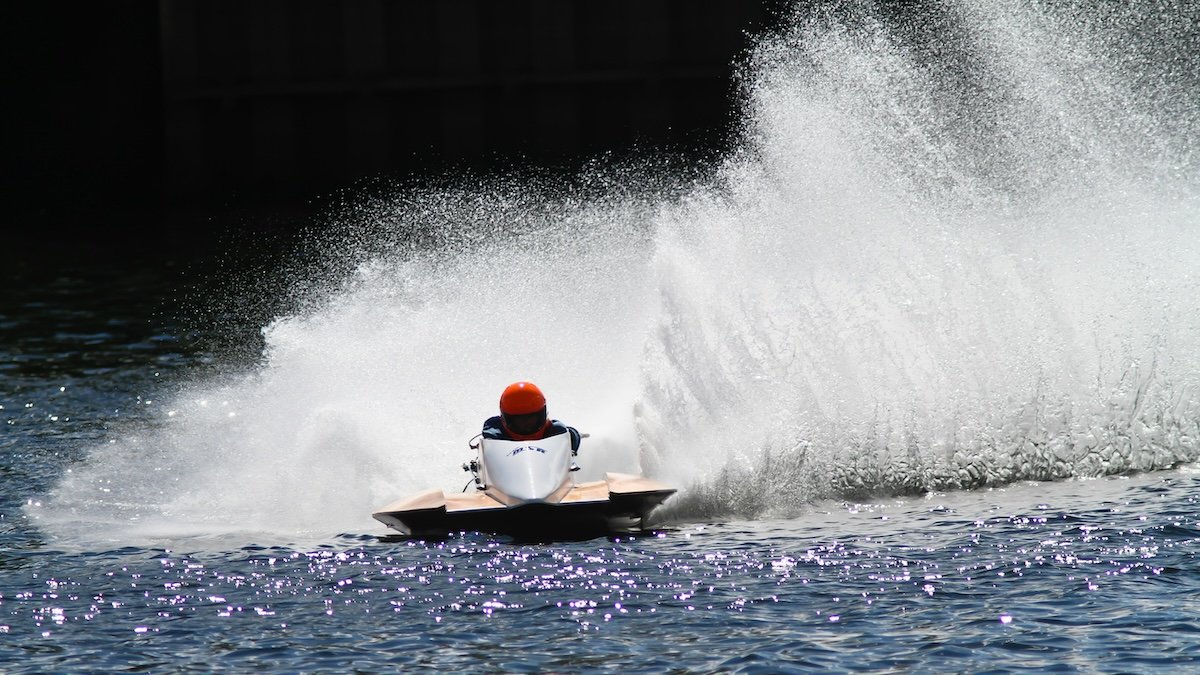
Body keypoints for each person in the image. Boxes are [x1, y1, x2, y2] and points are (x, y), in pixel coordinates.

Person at [482, 381, 581, 452]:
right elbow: (489, 436)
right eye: (519, 420)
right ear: (506, 418)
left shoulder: (555, 430)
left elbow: (572, 435)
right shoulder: (495, 430)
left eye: (531, 418)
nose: (526, 424)